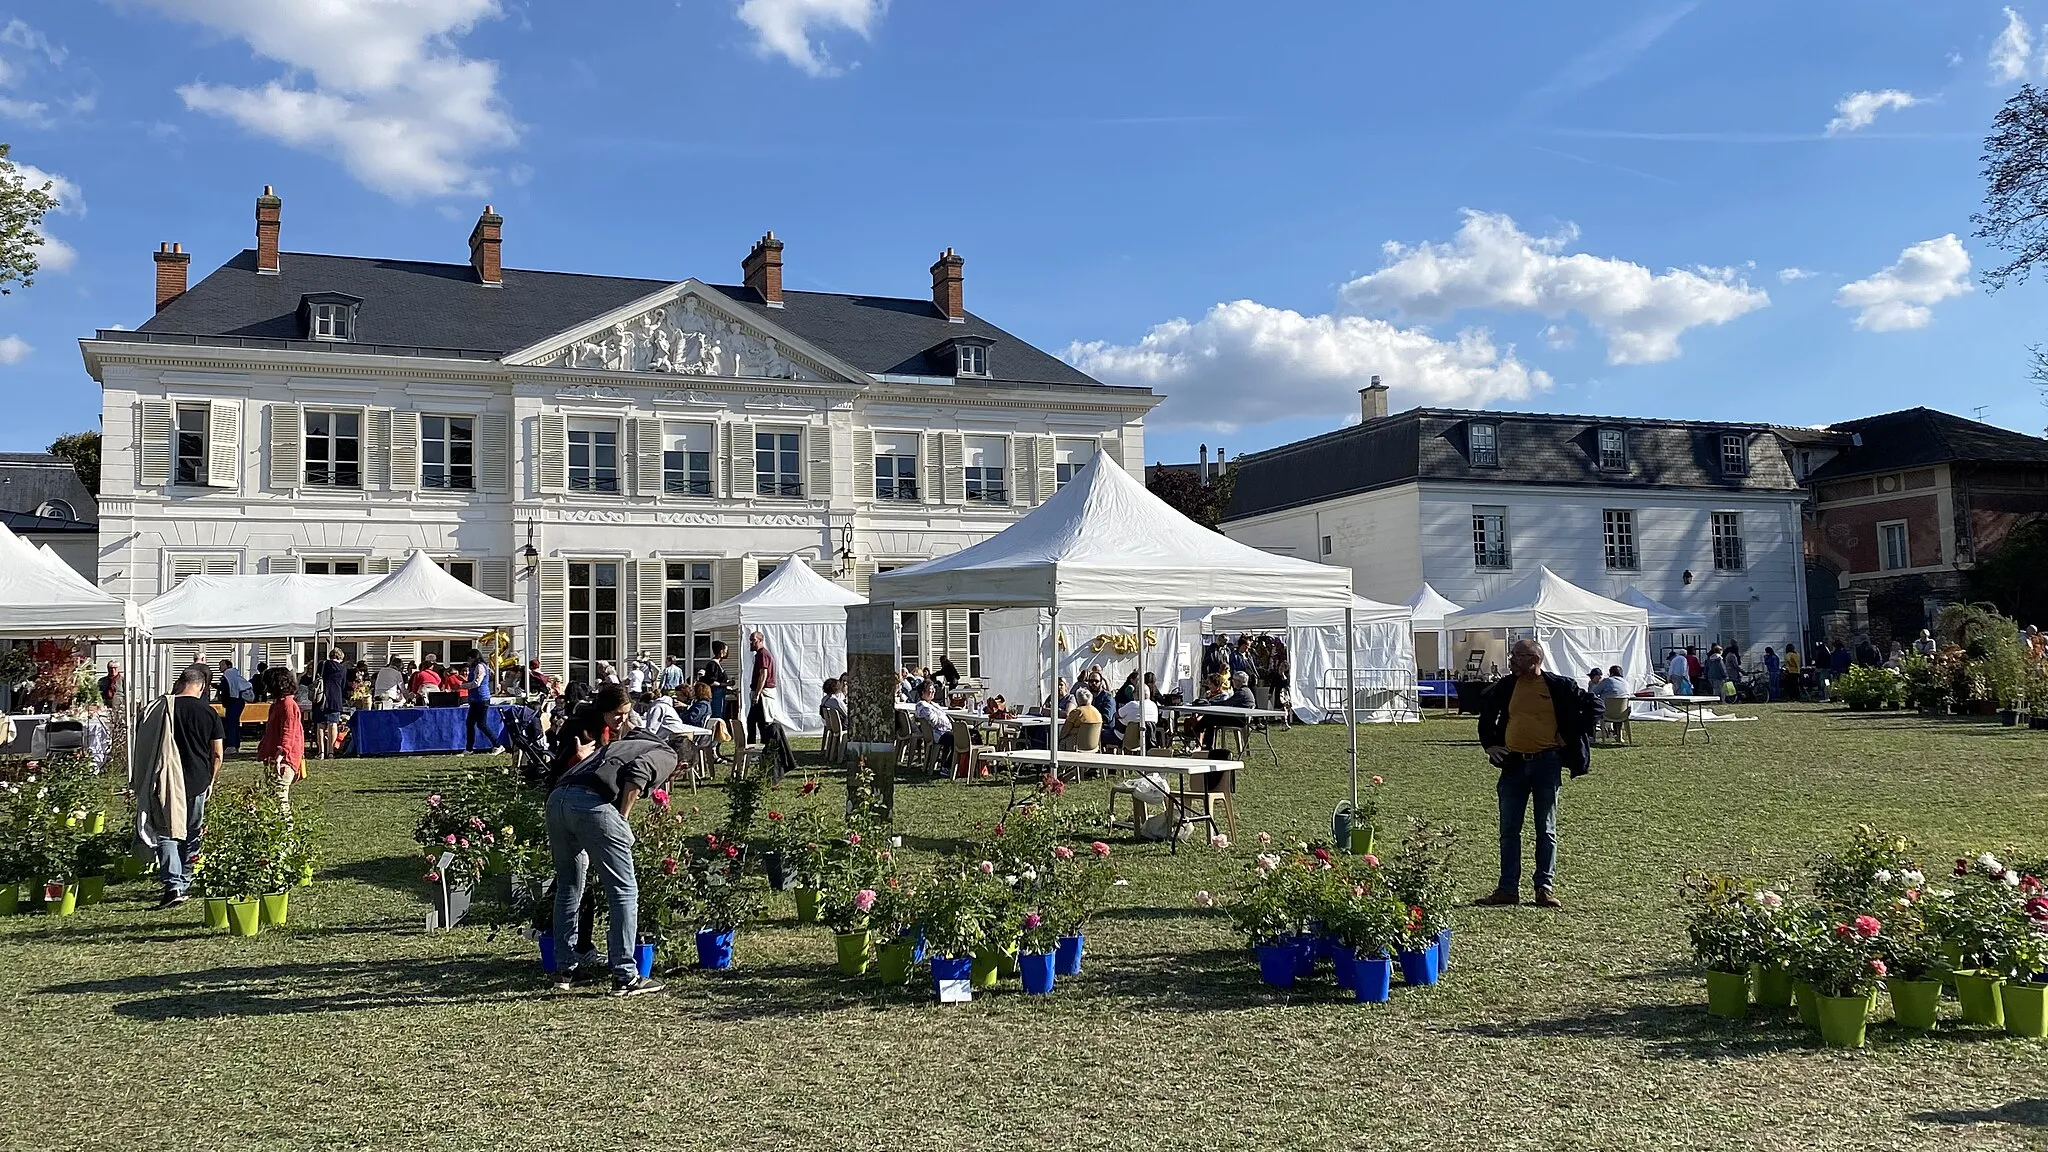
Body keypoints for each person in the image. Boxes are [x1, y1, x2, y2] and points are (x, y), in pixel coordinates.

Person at [546, 727, 678, 996]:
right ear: (683, 766)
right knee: (624, 892)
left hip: (558, 800)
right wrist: (622, 819)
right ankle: (625, 976)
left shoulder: (616, 747)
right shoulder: (667, 753)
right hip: (592, 805)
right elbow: (639, 773)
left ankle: (565, 970)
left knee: (568, 887)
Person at [1476, 639, 1598, 909]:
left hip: (1547, 764)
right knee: (1509, 830)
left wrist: (1567, 736)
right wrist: (1490, 745)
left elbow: (1595, 707)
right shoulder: (1508, 685)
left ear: (1535, 659)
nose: (1512, 660)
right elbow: (1486, 716)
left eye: (1517, 656)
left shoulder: (1559, 686)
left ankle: (1544, 888)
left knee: (1545, 829)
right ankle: (1507, 889)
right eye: (1512, 655)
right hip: (1513, 765)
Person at [139, 663, 224, 909]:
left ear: (180, 683)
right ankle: (184, 880)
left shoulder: (163, 709)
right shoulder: (208, 713)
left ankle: (173, 885)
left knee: (166, 831)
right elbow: (217, 753)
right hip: (198, 780)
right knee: (192, 832)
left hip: (166, 779)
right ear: (203, 686)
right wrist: (211, 778)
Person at [256, 665, 305, 807]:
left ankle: (285, 829)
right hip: (273, 756)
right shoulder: (278, 704)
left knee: (280, 797)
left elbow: (288, 732)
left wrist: (280, 755)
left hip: (283, 759)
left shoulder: (288, 704)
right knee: (273, 797)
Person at [216, 659, 254, 754]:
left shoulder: (228, 674)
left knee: (231, 724)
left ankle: (231, 745)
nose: (220, 667)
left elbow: (226, 688)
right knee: (235, 723)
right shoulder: (235, 674)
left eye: (221, 665)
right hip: (238, 701)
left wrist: (216, 686)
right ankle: (236, 745)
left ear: (227, 665)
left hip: (233, 701)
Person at [316, 648, 349, 760]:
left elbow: (317, 677)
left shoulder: (323, 664)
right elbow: (343, 685)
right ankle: (331, 752)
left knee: (320, 725)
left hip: (321, 697)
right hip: (336, 698)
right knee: (333, 724)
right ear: (341, 657)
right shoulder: (343, 669)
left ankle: (321, 752)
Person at [911, 679, 955, 760]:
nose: (932, 693)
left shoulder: (933, 704)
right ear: (922, 693)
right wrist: (947, 722)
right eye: (929, 691)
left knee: (972, 735)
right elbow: (933, 721)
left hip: (944, 731)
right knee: (960, 741)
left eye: (933, 691)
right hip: (938, 734)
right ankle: (948, 766)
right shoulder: (922, 706)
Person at [464, 648, 496, 754]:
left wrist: (462, 686)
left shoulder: (480, 667)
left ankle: (497, 744)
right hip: (474, 699)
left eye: (469, 659)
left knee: (482, 724)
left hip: (482, 698)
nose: (468, 661)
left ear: (474, 658)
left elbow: (477, 683)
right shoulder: (474, 667)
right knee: (470, 723)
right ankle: (469, 748)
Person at [700, 642, 730, 723]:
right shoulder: (712, 665)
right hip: (716, 693)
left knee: (720, 715)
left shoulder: (717, 664)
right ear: (721, 651)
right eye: (726, 650)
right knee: (717, 716)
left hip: (720, 693)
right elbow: (711, 681)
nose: (727, 652)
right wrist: (726, 684)